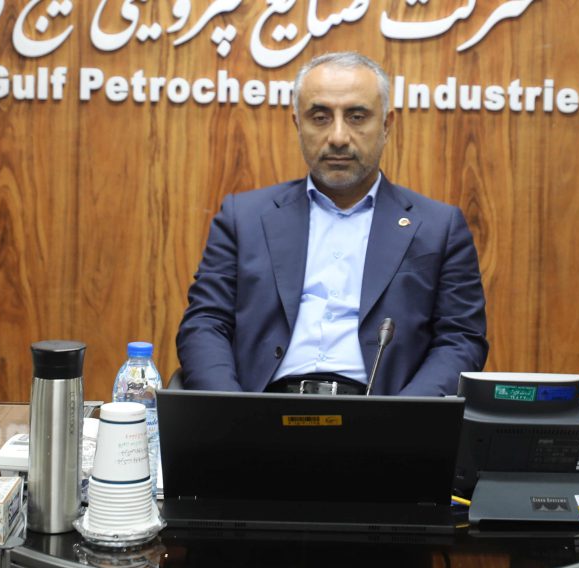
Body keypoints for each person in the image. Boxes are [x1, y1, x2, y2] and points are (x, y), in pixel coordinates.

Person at [176, 52, 487, 396]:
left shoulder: (438, 228)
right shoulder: (243, 218)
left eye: (357, 117)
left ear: (387, 125)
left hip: (382, 412)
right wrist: (231, 411)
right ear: (297, 124)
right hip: (262, 409)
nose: (338, 137)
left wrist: (404, 415)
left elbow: (461, 339)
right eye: (320, 117)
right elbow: (205, 323)